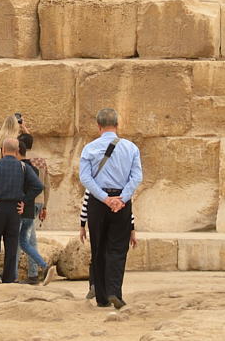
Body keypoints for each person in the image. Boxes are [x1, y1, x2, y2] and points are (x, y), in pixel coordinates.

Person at [78, 107, 142, 310]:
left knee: (98, 247)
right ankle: (115, 291)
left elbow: (85, 178)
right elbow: (137, 177)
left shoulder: (89, 148)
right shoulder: (131, 148)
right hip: (121, 203)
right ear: (117, 125)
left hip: (98, 202)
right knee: (117, 248)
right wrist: (121, 199)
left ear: (98, 126)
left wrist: (105, 198)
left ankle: (102, 297)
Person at [0, 133, 44, 284]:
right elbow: (38, 186)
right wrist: (24, 201)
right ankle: (9, 278)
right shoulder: (23, 167)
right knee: (11, 246)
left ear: (3, 150)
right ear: (17, 150)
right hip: (14, 210)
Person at [15, 129, 53, 285]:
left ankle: (14, 274)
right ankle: (34, 272)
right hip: (38, 202)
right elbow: (47, 186)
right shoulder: (41, 161)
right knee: (29, 238)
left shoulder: (21, 160)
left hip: (25, 202)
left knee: (19, 240)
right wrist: (45, 206)